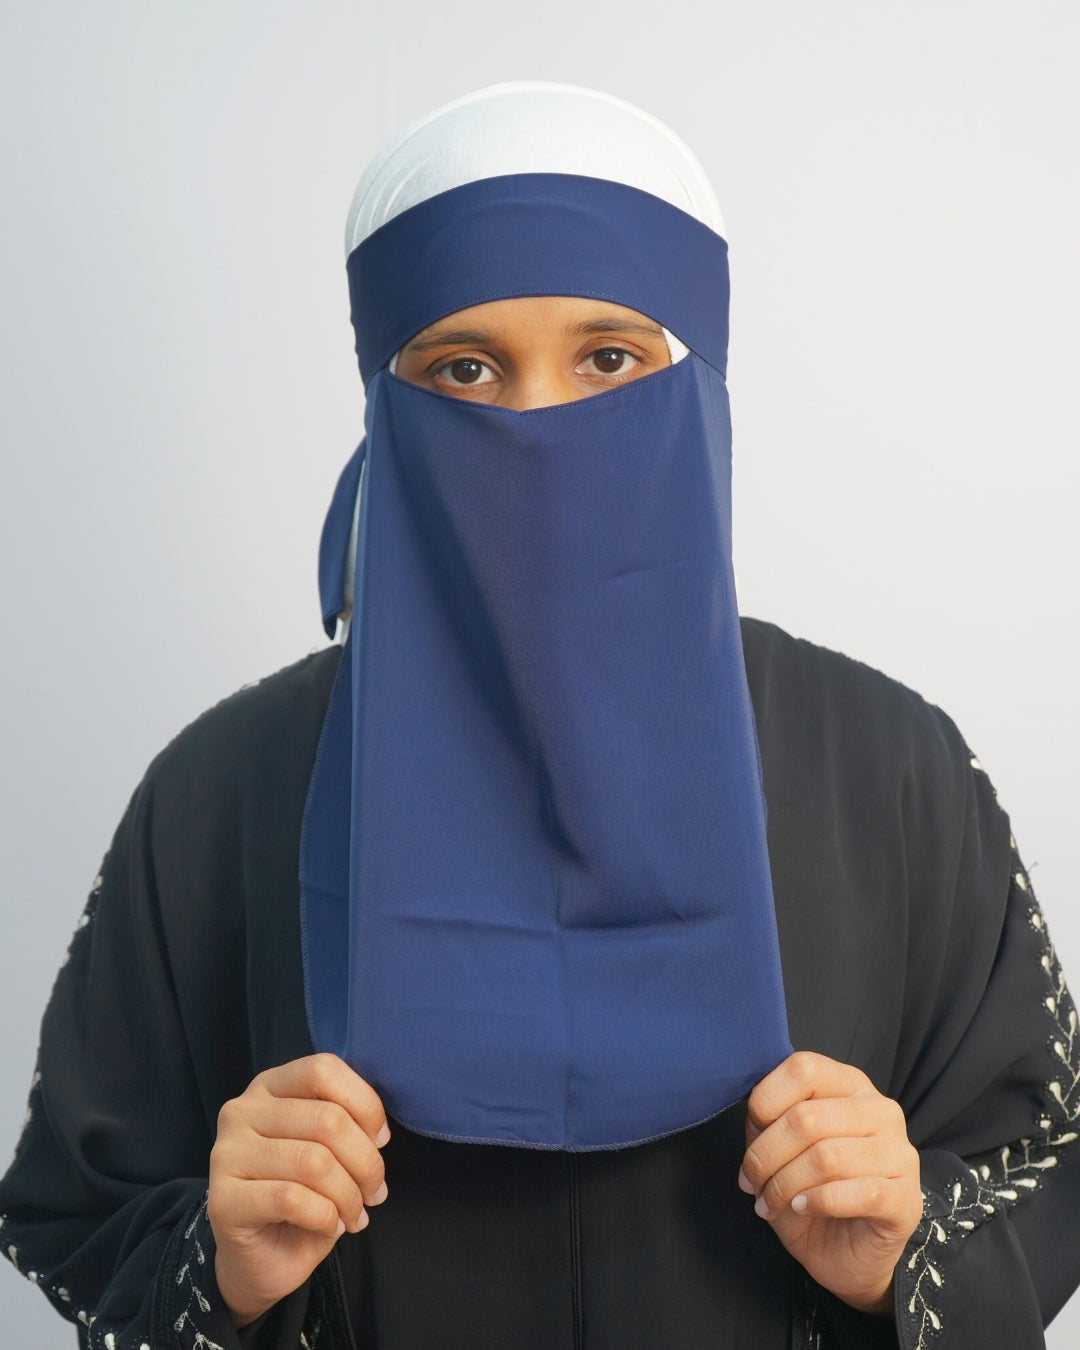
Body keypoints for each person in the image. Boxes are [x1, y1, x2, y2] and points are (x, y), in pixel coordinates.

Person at [1, 82, 1078, 1350]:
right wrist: (225, 1268)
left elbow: (1043, 1159)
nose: (539, 424)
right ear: (385, 408)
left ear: (701, 386)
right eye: (464, 367)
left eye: (610, 359)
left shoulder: (891, 767)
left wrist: (895, 1253)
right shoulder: (224, 785)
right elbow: (81, 1210)